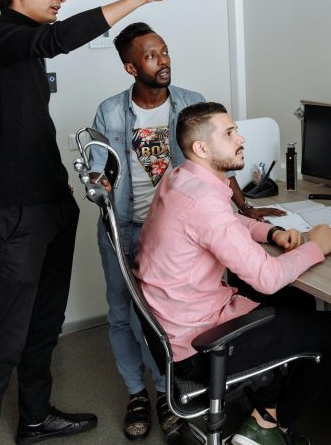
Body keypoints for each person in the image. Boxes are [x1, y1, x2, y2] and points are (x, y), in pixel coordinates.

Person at [0, 0, 193, 445]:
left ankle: (36, 419)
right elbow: (56, 39)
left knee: (44, 327)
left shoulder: (23, 51)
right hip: (12, 217)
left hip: (51, 209)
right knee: (2, 341)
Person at [90, 22, 283, 441]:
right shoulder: (109, 111)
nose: (163, 61)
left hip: (177, 231)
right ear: (130, 66)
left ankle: (166, 392)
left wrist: (245, 208)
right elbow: (98, 166)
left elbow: (215, 166)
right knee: (125, 315)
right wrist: (99, 181)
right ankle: (136, 393)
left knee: (163, 319)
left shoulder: (191, 103)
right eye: (151, 55)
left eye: (165, 51)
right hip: (124, 228)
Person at [136, 102, 331, 445]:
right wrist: (318, 246)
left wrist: (269, 233)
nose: (241, 138)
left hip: (177, 327)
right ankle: (267, 426)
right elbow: (265, 277)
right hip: (201, 346)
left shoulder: (182, 179)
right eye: (230, 133)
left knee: (298, 300)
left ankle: (264, 399)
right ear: (202, 148)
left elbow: (225, 222)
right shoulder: (203, 201)